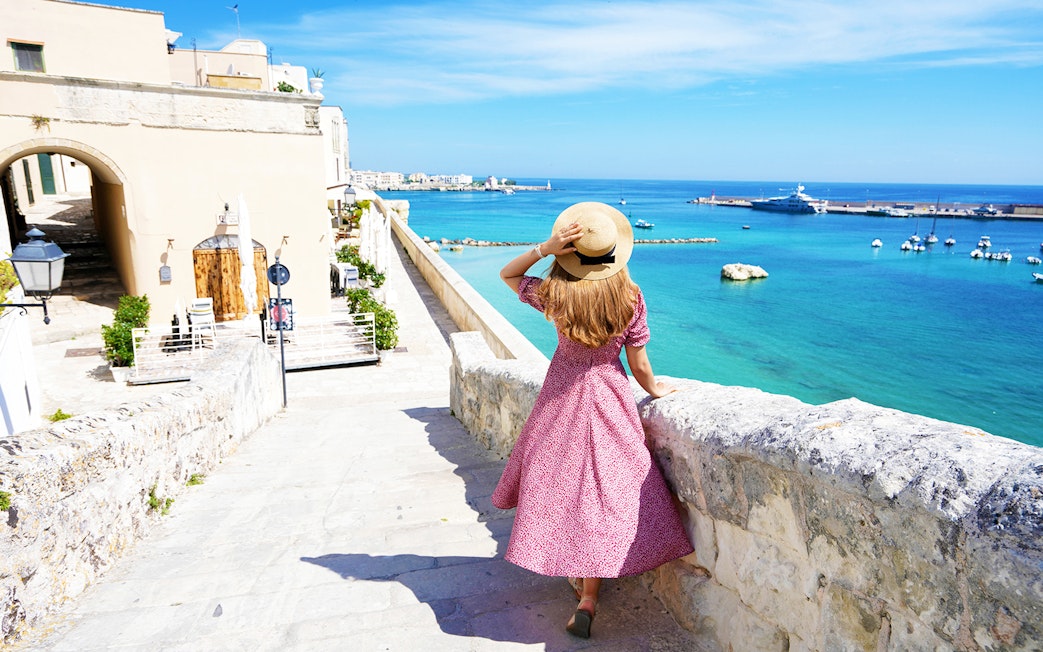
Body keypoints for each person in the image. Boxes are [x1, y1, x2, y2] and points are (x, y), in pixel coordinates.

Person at [491, 202, 694, 639]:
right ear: (615, 254)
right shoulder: (630, 296)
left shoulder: (556, 293)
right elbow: (639, 364)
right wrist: (657, 391)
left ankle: (579, 581)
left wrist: (545, 249)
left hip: (561, 397)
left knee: (564, 487)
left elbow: (508, 275)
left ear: (571, 253)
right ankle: (589, 594)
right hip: (610, 397)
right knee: (607, 490)